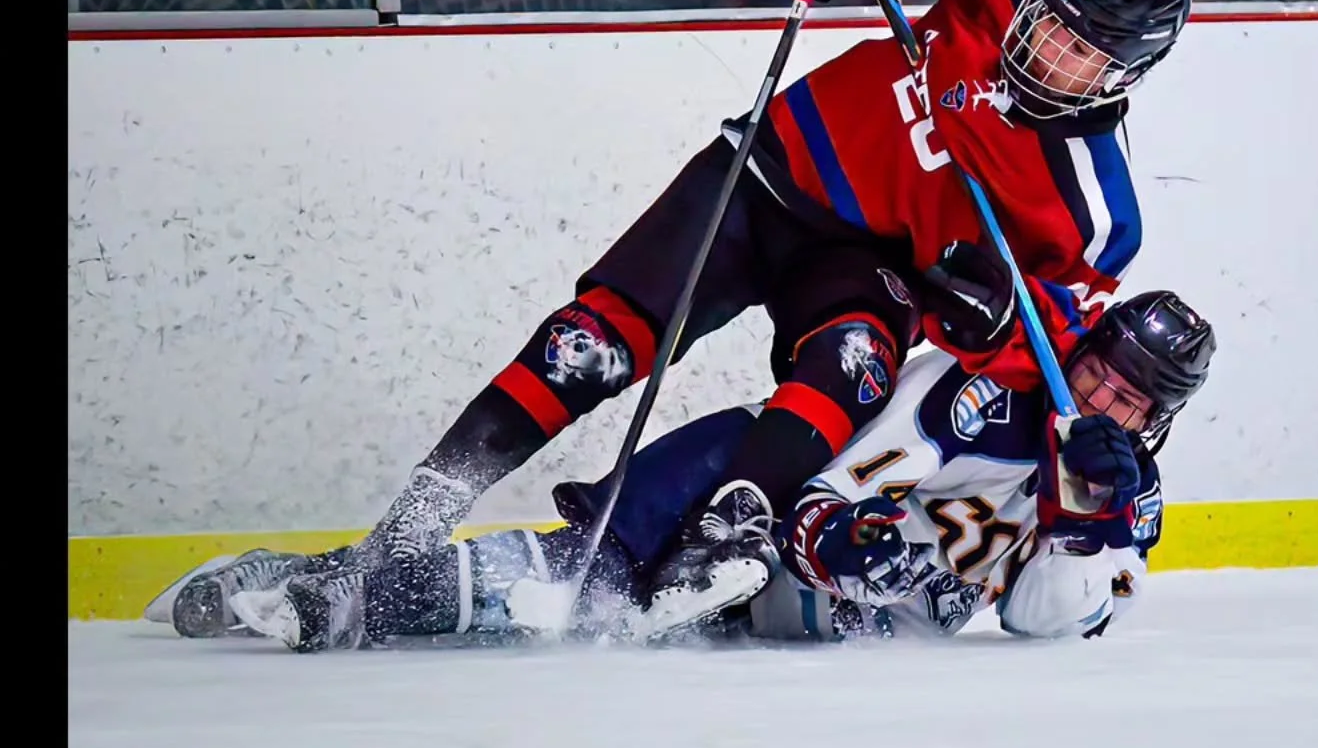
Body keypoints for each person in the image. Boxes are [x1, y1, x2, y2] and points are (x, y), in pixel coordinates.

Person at [164, 0, 1193, 642]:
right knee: (592, 346)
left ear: (1124, 76)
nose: (1045, 46)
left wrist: (990, 317)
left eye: (1078, 50)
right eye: (1051, 23)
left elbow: (1045, 341)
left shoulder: (1098, 211)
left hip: (865, 259)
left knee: (853, 367)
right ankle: (402, 534)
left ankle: (728, 531)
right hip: (767, 174)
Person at [197, 288, 1214, 654]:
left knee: (714, 468)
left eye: (1135, 398)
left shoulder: (1133, 504)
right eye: (1100, 373)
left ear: (1158, 418)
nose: (1108, 401)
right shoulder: (978, 392)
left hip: (860, 619)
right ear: (1077, 352)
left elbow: (1055, 619)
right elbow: (847, 473)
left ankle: (589, 562)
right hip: (799, 567)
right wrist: (827, 531)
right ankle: (346, 583)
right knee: (748, 442)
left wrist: (1094, 517)